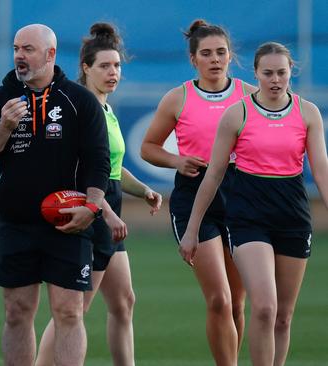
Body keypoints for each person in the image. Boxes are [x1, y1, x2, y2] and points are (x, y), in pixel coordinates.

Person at [0, 24, 110, 366]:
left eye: (28, 49)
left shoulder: (79, 100)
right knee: (17, 311)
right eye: (17, 48)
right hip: (16, 223)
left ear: (50, 54)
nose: (19, 55)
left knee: (69, 311)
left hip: (69, 223)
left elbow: (98, 160)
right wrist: (2, 127)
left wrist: (91, 206)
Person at [180, 42, 328, 366]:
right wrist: (191, 230)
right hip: (248, 219)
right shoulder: (238, 113)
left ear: (291, 73)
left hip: (293, 218)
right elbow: (213, 174)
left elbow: (322, 172)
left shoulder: (308, 113)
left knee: (284, 317)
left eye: (281, 73)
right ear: (256, 74)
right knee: (264, 307)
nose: (275, 80)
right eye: (268, 73)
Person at [35, 22, 162, 366]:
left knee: (123, 302)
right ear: (86, 69)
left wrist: (144, 190)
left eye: (117, 65)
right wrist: (106, 212)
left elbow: (112, 168)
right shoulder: (82, 109)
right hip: (90, 213)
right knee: (75, 309)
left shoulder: (105, 108)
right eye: (105, 66)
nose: (113, 72)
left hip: (109, 211)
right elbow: (83, 173)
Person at [141, 19, 256, 366]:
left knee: (237, 303)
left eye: (221, 52)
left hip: (240, 197)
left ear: (231, 55)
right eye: (206, 53)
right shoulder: (178, 98)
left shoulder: (250, 95)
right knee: (219, 300)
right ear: (194, 60)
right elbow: (148, 147)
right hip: (195, 198)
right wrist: (176, 160)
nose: (215, 59)